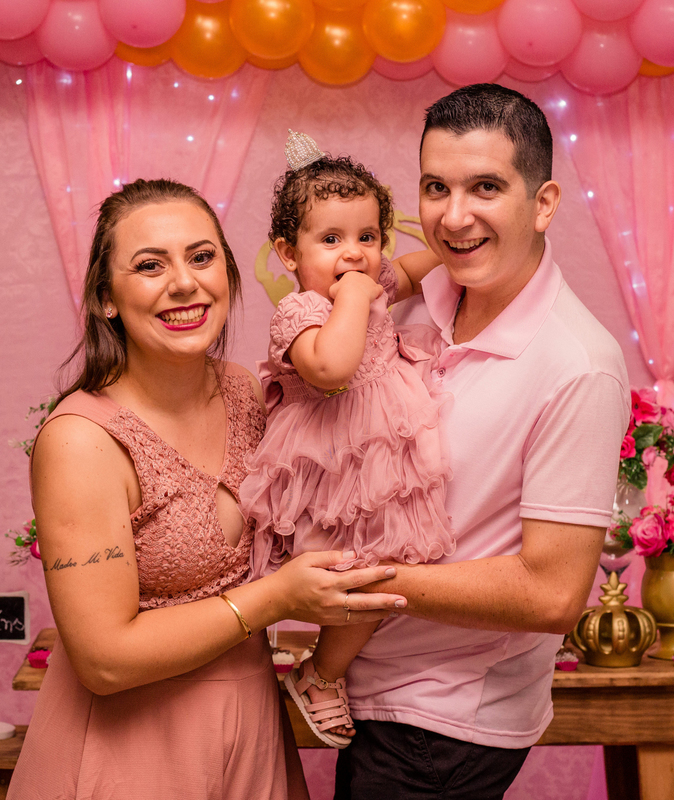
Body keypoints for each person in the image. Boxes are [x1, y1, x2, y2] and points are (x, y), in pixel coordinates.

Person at [5, 179, 407, 800]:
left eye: (201, 257)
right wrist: (274, 598)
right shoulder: (81, 440)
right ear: (106, 298)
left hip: (250, 735)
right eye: (149, 266)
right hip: (126, 755)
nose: (184, 283)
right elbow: (104, 659)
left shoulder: (246, 391)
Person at [333, 85, 631, 799]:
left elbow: (553, 593)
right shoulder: (412, 302)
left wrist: (354, 583)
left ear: (544, 202)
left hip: (444, 723)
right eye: (436, 187)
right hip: (367, 691)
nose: (453, 216)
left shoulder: (578, 365)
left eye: (486, 188)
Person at [240, 133, 450, 749]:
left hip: (386, 461)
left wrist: (450, 254)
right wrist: (356, 295)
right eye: (330, 240)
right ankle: (320, 675)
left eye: (367, 236)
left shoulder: (372, 277)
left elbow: (414, 270)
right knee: (354, 575)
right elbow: (331, 368)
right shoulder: (299, 311)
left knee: (394, 568)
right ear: (288, 252)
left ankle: (322, 672)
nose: (354, 253)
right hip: (331, 463)